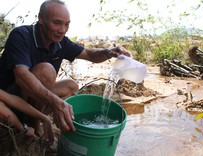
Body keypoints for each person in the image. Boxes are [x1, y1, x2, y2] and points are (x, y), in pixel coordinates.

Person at [0, 0, 130, 138]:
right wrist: (56, 103)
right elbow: (21, 76)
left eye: (66, 24)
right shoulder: (21, 35)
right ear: (41, 18)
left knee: (71, 87)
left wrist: (109, 52)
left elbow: (89, 54)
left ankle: (35, 120)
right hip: (9, 98)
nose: (62, 29)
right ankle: (28, 123)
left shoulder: (61, 42)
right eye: (57, 23)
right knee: (47, 71)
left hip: (32, 100)